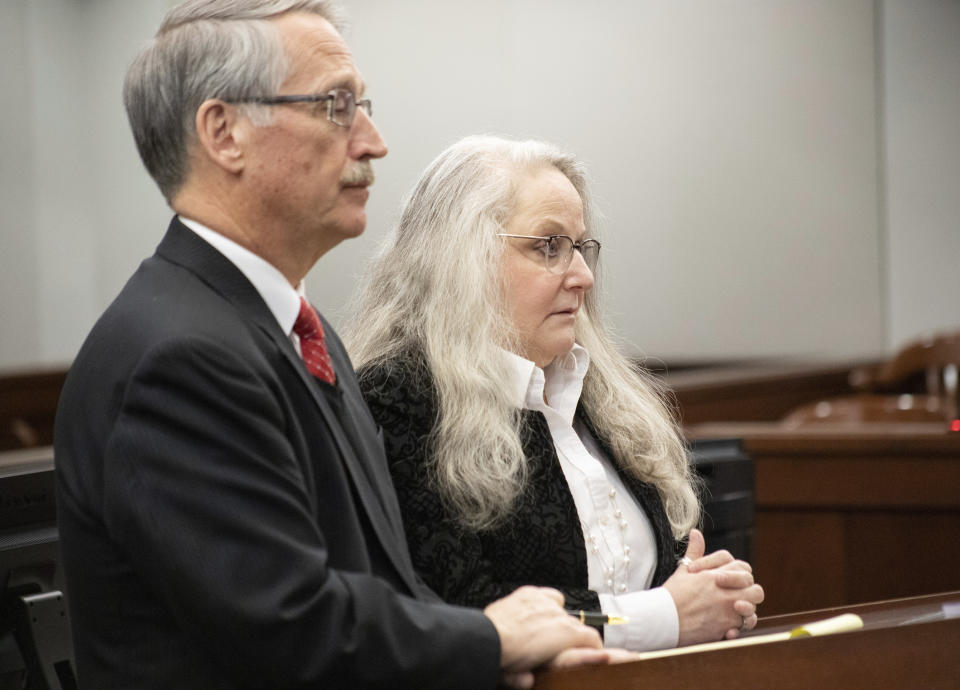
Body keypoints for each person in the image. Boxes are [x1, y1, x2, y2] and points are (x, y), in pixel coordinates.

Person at [53, 4, 606, 688]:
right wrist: (490, 638)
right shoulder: (179, 357)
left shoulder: (295, 332)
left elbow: (383, 584)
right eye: (337, 105)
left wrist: (520, 647)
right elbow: (289, 628)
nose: (372, 141)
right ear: (224, 133)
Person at [346, 135, 765, 652]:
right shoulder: (398, 398)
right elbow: (463, 614)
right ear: (463, 260)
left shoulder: (597, 396)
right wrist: (666, 615)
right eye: (549, 246)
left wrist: (713, 596)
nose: (584, 277)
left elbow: (668, 580)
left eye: (581, 246)